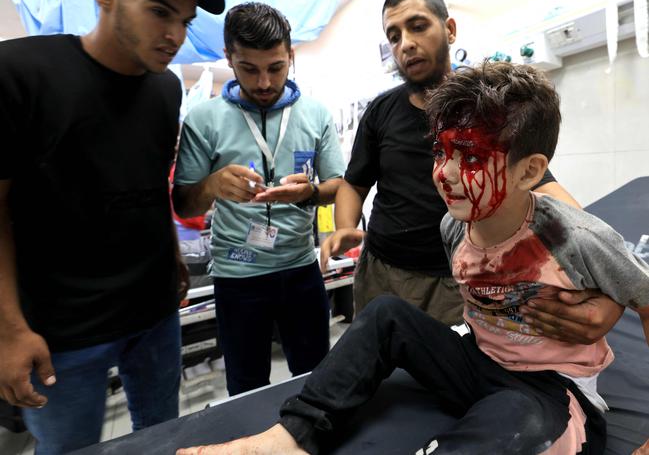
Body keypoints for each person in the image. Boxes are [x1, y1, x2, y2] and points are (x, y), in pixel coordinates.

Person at [176, 61, 649, 455]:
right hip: (477, 361)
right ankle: (290, 438)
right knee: (384, 314)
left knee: (517, 418)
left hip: (549, 387)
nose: (444, 174)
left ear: (529, 171)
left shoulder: (575, 237)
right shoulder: (451, 227)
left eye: (469, 157)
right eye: (440, 152)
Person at [319, 0, 624, 340]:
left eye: (418, 26)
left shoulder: (484, 111)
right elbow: (354, 183)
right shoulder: (380, 112)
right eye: (394, 35)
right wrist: (344, 226)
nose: (406, 44)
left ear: (449, 30)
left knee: (449, 374)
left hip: (461, 278)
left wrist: (604, 276)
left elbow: (545, 188)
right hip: (382, 270)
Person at [0, 0, 224, 454]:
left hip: (153, 313)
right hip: (61, 330)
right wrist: (9, 329)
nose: (175, 35)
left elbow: (149, 185)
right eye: (160, 11)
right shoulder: (21, 72)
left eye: (184, 21)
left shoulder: (165, 90)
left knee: (162, 438)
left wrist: (172, 258)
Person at [172, 2, 346, 396]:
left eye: (276, 67)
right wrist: (212, 186)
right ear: (229, 59)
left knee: (316, 379)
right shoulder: (203, 119)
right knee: (247, 386)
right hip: (238, 276)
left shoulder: (315, 114)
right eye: (249, 69)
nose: (265, 82)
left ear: (291, 57)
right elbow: (184, 205)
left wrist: (311, 193)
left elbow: (339, 184)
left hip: (301, 270)